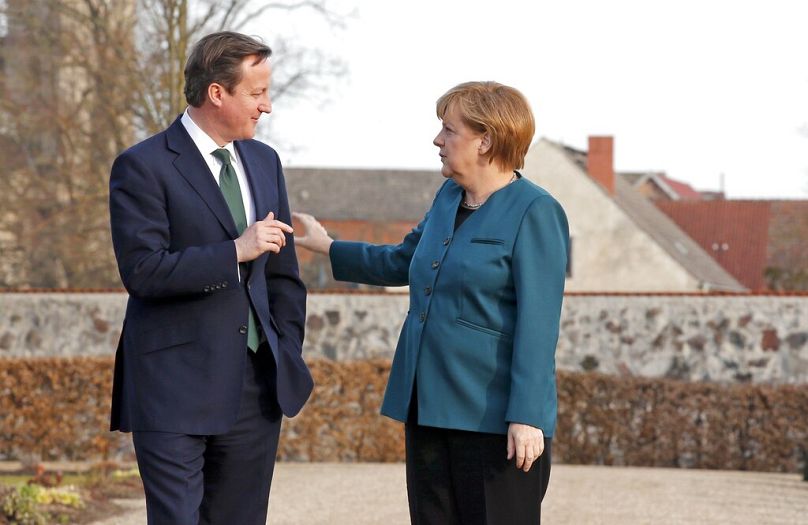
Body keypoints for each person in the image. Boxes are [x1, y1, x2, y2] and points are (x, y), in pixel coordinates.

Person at [295, 81, 569, 524]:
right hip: (427, 407)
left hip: (493, 419)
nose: (438, 140)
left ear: (486, 140)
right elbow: (401, 261)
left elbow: (539, 325)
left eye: (449, 130)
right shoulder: (447, 199)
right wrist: (327, 246)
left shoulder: (535, 211)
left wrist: (527, 416)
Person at [108, 31, 313, 525]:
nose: (267, 106)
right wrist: (234, 252)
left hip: (255, 388)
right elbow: (143, 271)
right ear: (217, 93)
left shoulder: (265, 162)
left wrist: (284, 348)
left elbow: (283, 277)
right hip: (172, 388)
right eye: (257, 93)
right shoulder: (142, 166)